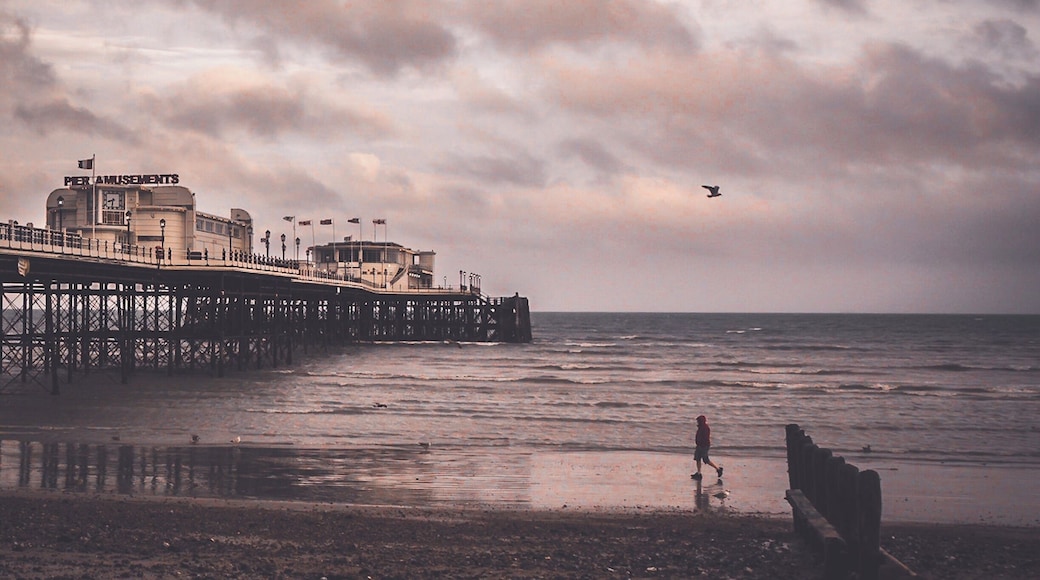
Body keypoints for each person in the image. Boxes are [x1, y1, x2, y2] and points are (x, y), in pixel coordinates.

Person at [692, 414, 723, 480]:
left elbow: (705, 438)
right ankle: (699, 473)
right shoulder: (700, 427)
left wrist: (701, 444)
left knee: (706, 460)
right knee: (697, 458)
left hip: (704, 446)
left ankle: (718, 469)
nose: (697, 422)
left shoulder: (705, 428)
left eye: (698, 421)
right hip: (699, 445)